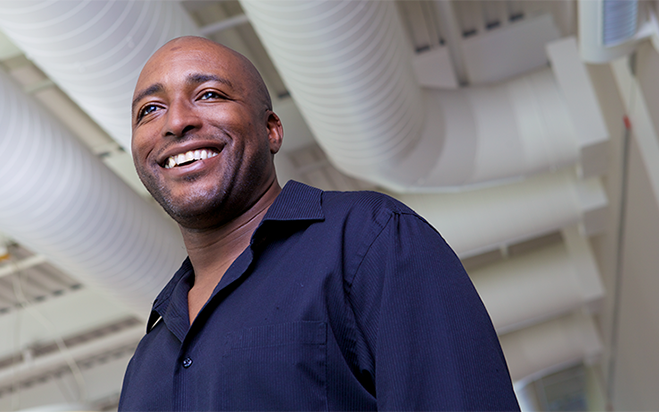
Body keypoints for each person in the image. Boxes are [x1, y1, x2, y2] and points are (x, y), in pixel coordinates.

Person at [119, 36, 519, 411]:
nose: (176, 122)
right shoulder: (147, 359)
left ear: (272, 129)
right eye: (149, 110)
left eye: (209, 95)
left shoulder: (372, 239)